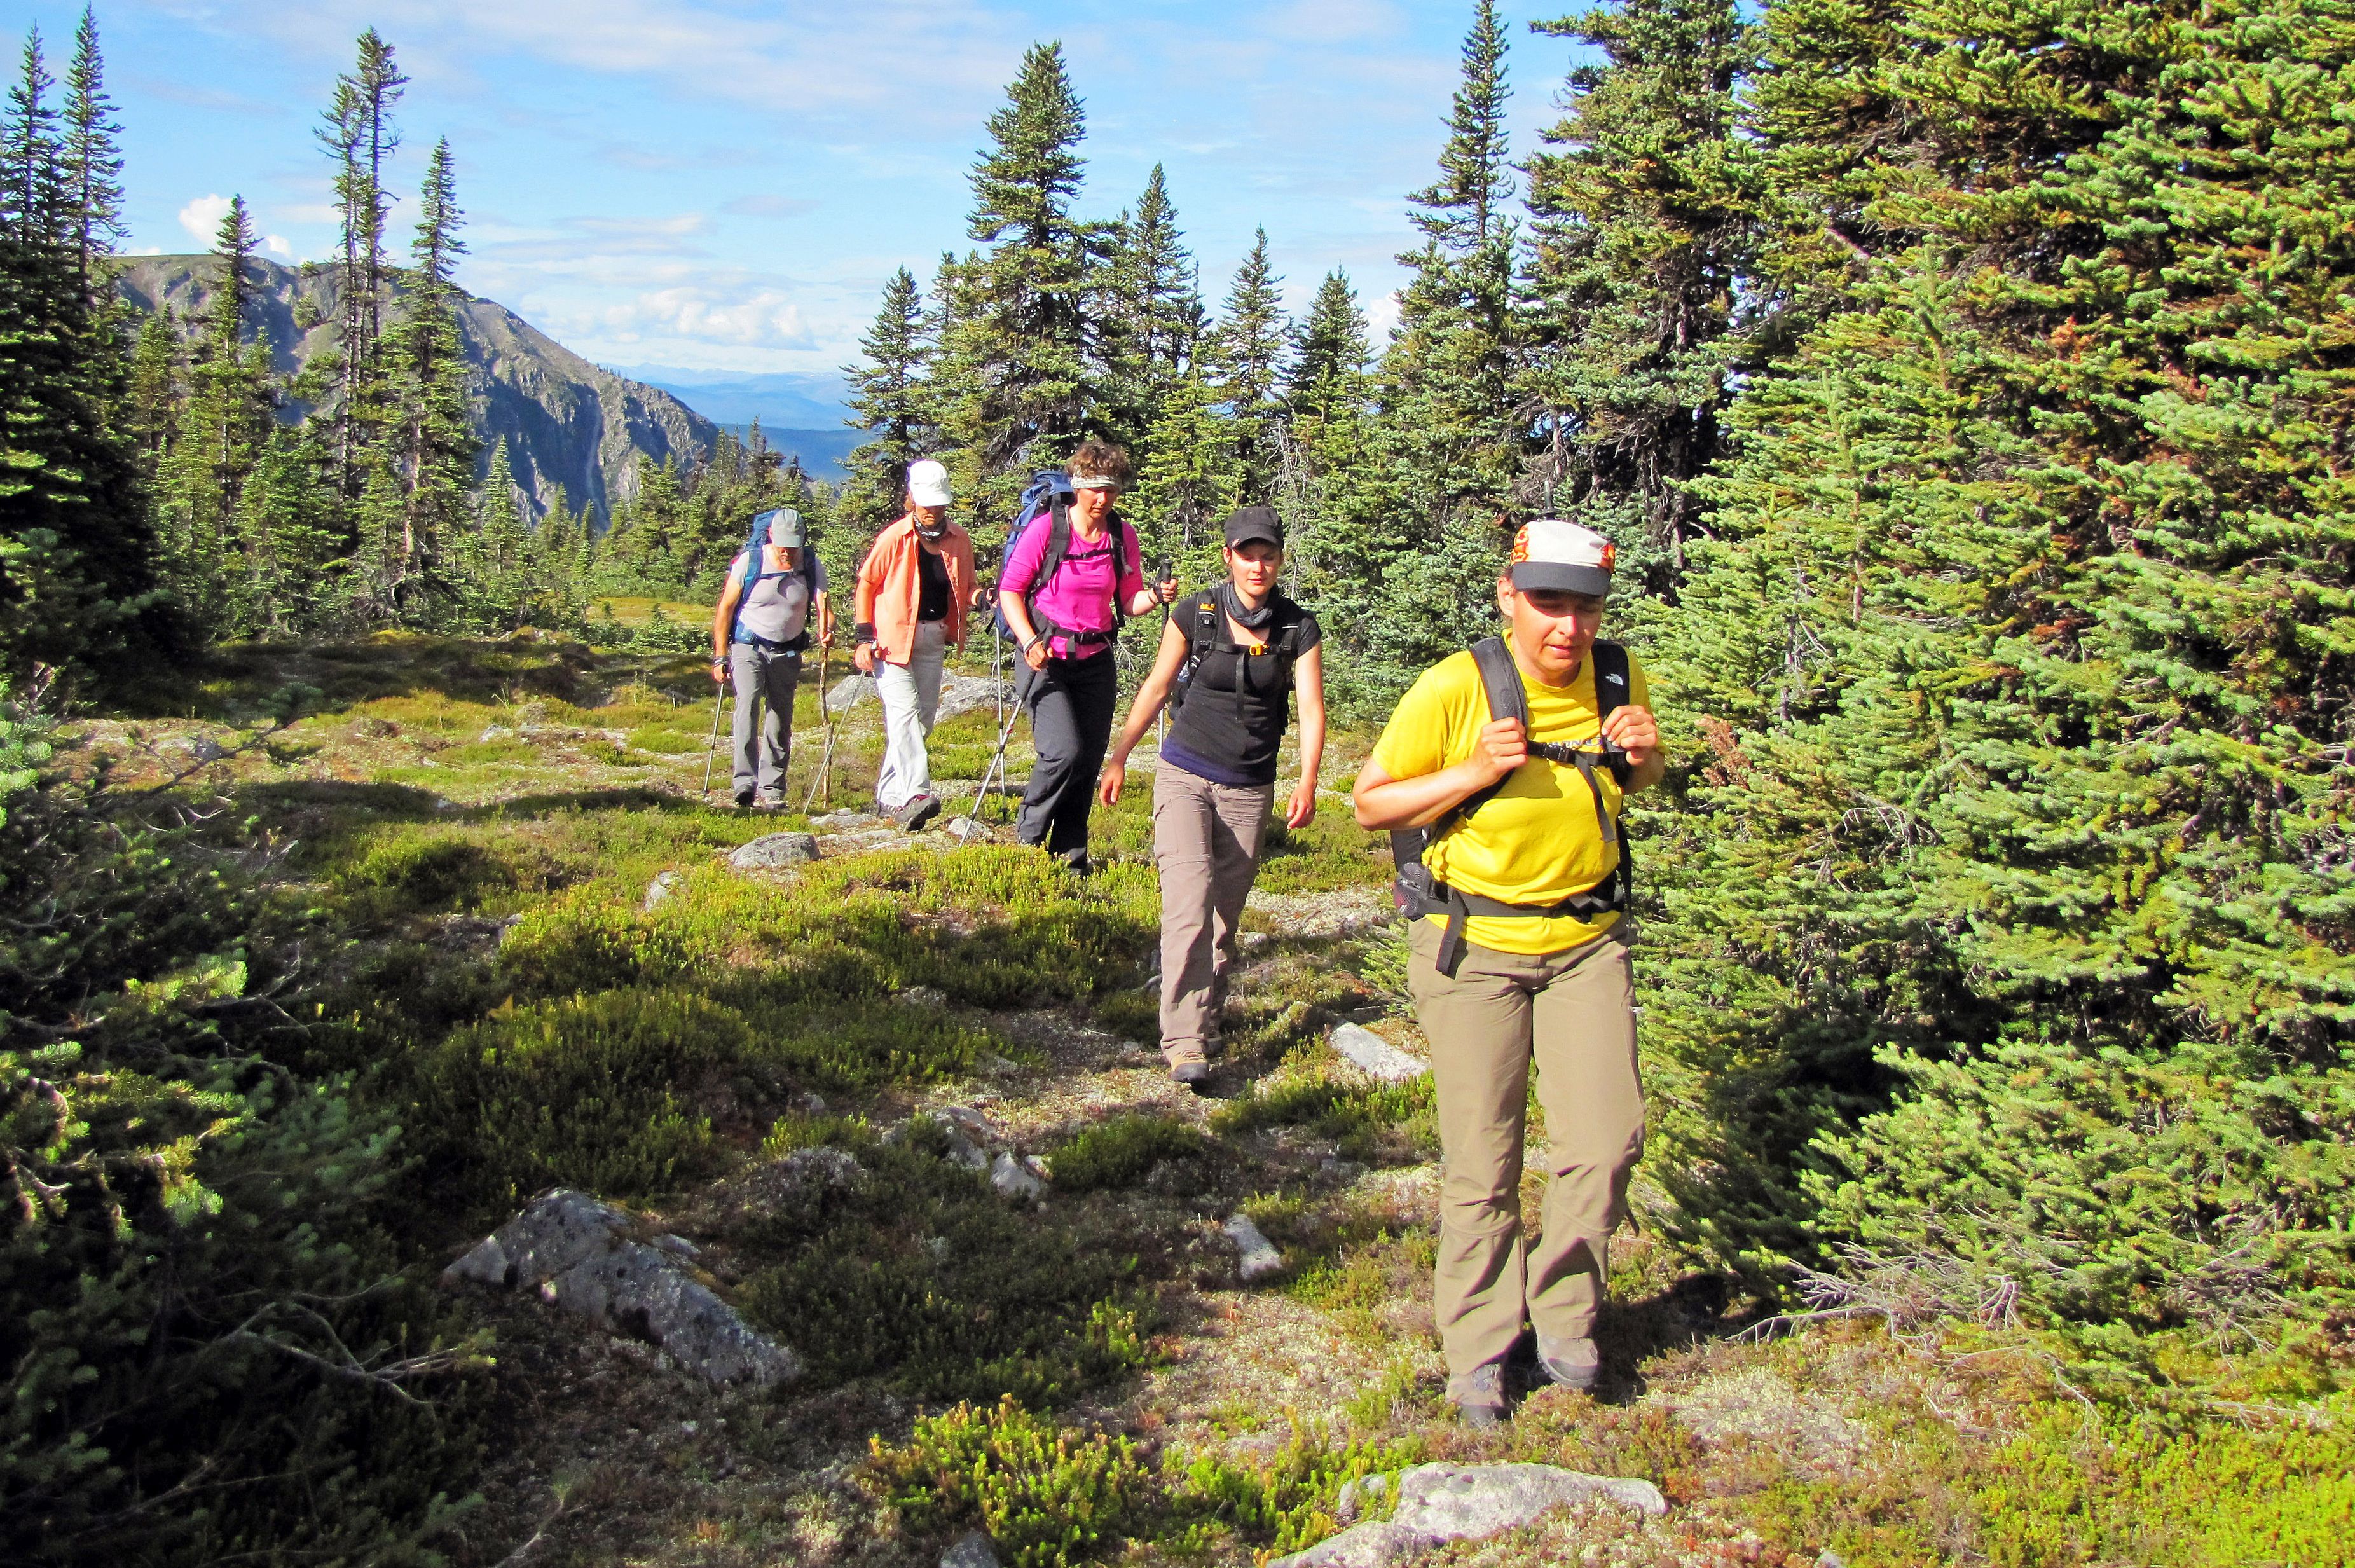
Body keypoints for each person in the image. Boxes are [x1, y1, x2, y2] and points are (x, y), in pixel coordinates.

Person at [1350, 519, 1664, 1429]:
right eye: (1549, 603)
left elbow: (1628, 784)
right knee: (1484, 1164)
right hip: (1474, 948)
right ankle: (1481, 1349)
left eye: (1585, 605)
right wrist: (1466, 771)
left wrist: (1644, 758)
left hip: (1588, 940)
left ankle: (1565, 1322)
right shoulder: (1459, 684)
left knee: (1605, 1141)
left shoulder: (1616, 673)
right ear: (1508, 595)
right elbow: (1371, 802)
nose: (1568, 625)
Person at [1099, 505, 1326, 1085]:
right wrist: (1121, 755)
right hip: (1185, 772)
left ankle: (1207, 1013)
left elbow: (1309, 709)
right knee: (1188, 902)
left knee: (1224, 915)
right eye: (1247, 554)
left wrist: (1307, 780)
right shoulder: (1195, 613)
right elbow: (1155, 687)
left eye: (1268, 555)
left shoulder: (1298, 628)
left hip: (1251, 785)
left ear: (1279, 560)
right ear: (1228, 557)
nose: (1258, 565)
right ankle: (1183, 1040)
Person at [995, 440, 1176, 872]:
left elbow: (1128, 603)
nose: (1103, 499)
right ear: (1077, 486)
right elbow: (1009, 591)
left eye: (1111, 490)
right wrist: (1028, 641)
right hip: (1046, 658)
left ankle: (1071, 856)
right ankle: (1029, 836)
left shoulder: (1121, 535)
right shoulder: (1047, 530)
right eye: (1095, 489)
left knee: (1089, 761)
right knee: (1062, 752)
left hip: (1096, 660)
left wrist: (1155, 595)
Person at [854, 459, 991, 830]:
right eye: (926, 503)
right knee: (904, 713)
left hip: (933, 637)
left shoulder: (959, 540)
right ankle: (916, 794)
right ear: (911, 499)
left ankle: (888, 797)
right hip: (892, 640)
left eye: (939, 504)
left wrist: (981, 599)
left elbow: (965, 586)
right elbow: (866, 585)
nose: (932, 511)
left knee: (922, 720)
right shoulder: (894, 538)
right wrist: (864, 637)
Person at [711, 507, 832, 809]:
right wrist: (720, 656)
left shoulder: (811, 565)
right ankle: (744, 783)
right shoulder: (750, 562)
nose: (788, 553)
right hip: (747, 646)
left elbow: (823, 603)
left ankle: (773, 788)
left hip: (787, 651)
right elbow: (726, 609)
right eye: (783, 546)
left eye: (794, 546)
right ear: (771, 537)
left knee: (780, 718)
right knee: (748, 704)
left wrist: (827, 627)